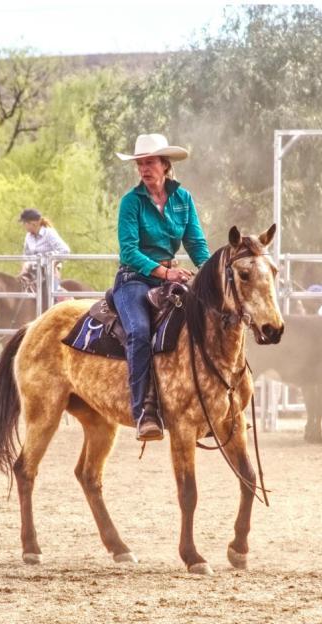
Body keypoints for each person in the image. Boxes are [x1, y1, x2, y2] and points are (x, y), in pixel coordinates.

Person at [113, 133, 211, 442]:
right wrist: (164, 273)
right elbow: (128, 251)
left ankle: (212, 403)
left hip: (169, 278)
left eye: (150, 162)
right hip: (134, 279)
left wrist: (209, 276)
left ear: (165, 165)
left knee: (206, 321)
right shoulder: (131, 202)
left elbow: (195, 242)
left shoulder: (183, 199)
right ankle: (144, 410)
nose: (144, 168)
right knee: (139, 332)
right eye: (140, 163)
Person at [18, 208, 71, 293]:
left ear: (33, 223)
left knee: (52, 293)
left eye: (25, 223)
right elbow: (26, 255)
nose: (24, 226)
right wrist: (24, 269)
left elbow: (65, 250)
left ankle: (59, 303)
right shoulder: (28, 236)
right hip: (32, 271)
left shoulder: (49, 233)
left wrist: (52, 261)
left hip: (47, 271)